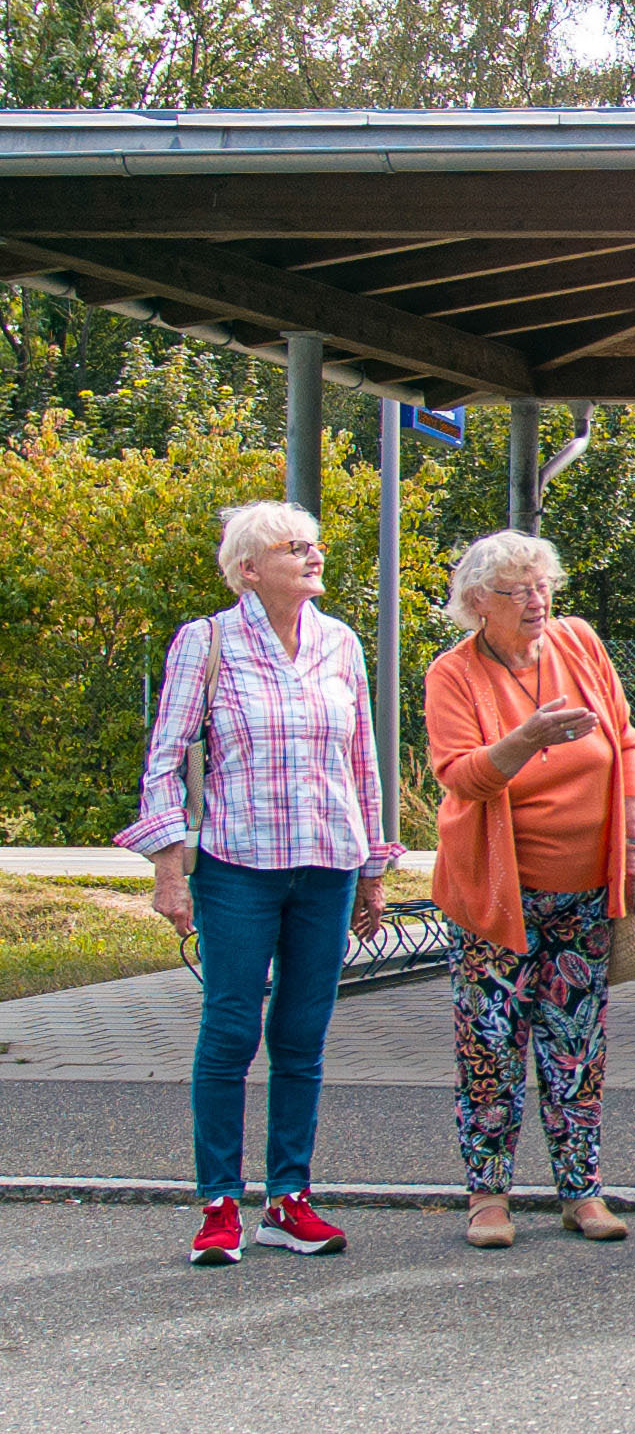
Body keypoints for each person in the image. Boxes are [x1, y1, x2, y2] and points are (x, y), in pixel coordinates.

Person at [118, 500, 399, 1266]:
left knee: (302, 1037)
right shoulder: (205, 641)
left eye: (314, 545)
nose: (313, 557)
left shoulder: (339, 641)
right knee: (231, 1029)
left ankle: (289, 1199)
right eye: (293, 547)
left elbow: (361, 760)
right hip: (239, 866)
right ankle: (218, 1204)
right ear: (248, 568)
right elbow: (165, 758)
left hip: (327, 865)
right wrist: (169, 865)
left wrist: (372, 864)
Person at [424, 530, 635, 1251]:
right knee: (490, 1044)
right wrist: (526, 737)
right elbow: (461, 775)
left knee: (577, 1044)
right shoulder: (452, 674)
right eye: (517, 590)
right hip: (497, 896)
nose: (536, 600)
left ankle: (581, 1190)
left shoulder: (579, 643)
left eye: (541, 584)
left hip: (584, 892)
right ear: (477, 603)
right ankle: (488, 1196)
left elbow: (625, 743)